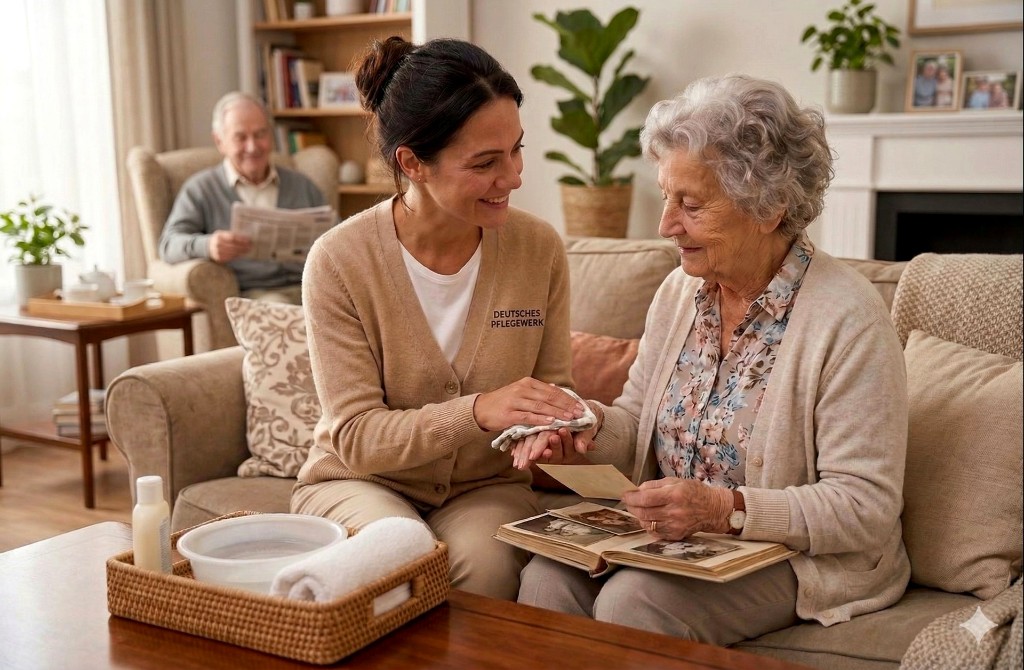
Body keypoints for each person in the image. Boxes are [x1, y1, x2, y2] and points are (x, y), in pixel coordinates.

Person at [513, 74, 910, 647]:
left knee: (635, 600)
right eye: (667, 199)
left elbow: (864, 506)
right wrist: (585, 425)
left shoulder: (848, 318)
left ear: (769, 206)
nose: (665, 226)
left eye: (690, 205)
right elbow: (635, 428)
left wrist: (726, 510)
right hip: (672, 540)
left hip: (797, 556)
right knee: (549, 576)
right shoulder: (679, 293)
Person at [290, 36, 584, 600]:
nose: (515, 176)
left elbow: (554, 391)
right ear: (412, 163)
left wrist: (551, 429)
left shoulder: (539, 249)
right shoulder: (338, 261)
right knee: (397, 552)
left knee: (488, 569)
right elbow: (355, 436)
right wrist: (477, 411)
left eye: (516, 150)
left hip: (485, 487)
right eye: (485, 163)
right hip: (358, 480)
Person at [158, 91, 329, 304]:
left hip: (313, 287)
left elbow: (338, 237)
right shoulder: (201, 189)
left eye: (260, 134)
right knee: (280, 306)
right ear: (220, 141)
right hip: (257, 295)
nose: (252, 147)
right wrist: (209, 245)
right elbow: (168, 245)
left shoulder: (301, 185)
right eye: (241, 137)